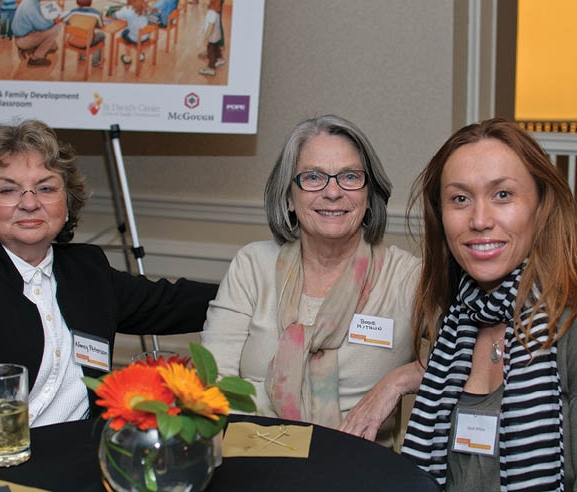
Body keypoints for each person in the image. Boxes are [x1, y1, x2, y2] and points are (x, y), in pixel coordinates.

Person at [0, 120, 218, 444]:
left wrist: (258, 289)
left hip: (88, 458)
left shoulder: (87, 270)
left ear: (67, 203)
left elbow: (170, 302)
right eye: (8, 189)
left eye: (46, 188)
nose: (30, 202)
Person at [201, 114, 424, 446]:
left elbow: (470, 356)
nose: (332, 192)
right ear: (289, 197)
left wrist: (397, 381)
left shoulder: (407, 277)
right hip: (251, 462)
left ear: (368, 194)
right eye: (313, 177)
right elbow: (213, 384)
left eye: (350, 176)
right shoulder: (252, 265)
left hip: (359, 473)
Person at [401, 118, 577, 491]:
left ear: (541, 206)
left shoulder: (568, 330)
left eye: (502, 195)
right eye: (460, 199)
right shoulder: (453, 327)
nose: (479, 220)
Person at [11, 0, 62, 67]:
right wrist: (54, 21)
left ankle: (28, 50)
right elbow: (41, 25)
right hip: (23, 39)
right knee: (56, 28)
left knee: (53, 47)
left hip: (22, 36)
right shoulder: (31, 6)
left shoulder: (30, 2)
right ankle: (36, 58)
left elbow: (38, 19)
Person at [65, 0, 105, 68]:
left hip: (71, 41)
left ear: (77, 3)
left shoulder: (73, 11)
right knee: (101, 35)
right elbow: (101, 25)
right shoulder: (96, 13)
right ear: (91, 2)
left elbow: (66, 22)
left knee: (81, 31)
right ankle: (95, 61)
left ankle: (82, 57)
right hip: (86, 44)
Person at [113, 0, 150, 65]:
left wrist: (118, 11)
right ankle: (140, 55)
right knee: (137, 29)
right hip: (146, 36)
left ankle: (127, 58)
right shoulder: (146, 6)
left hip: (134, 38)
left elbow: (115, 16)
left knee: (125, 32)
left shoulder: (127, 9)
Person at [198, 0, 222, 76]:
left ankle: (211, 68)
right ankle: (219, 59)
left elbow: (210, 26)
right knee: (216, 48)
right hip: (216, 36)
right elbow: (207, 18)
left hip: (212, 37)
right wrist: (203, 8)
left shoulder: (212, 13)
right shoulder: (215, 11)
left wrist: (206, 38)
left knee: (211, 51)